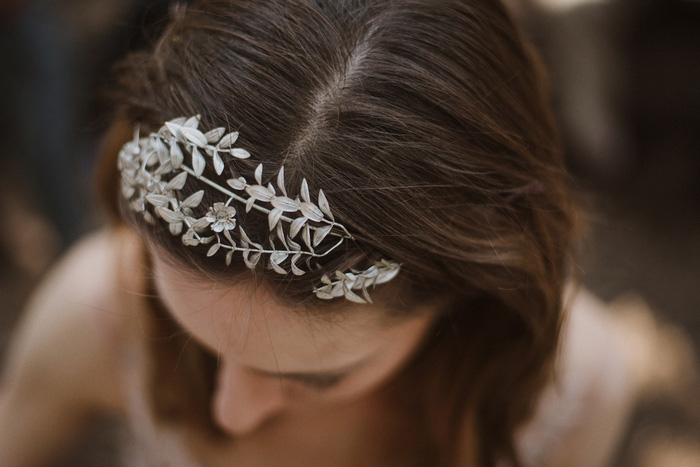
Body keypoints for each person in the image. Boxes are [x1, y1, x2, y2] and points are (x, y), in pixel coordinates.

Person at [0, 1, 692, 466]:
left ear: (468, 296)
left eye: (317, 376)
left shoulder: (573, 396)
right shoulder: (94, 315)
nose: (230, 413)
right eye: (199, 343)